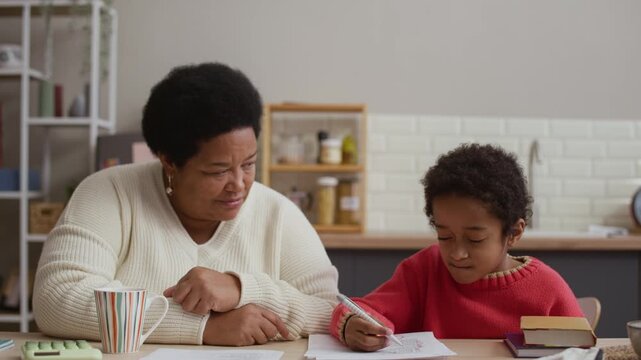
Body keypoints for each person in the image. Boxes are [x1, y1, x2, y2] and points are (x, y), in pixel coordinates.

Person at [33, 62, 339, 346]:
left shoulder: (277, 214)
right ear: (169, 161)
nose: (239, 184)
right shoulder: (109, 193)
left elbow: (334, 313)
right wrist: (205, 328)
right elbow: (57, 298)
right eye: (217, 171)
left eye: (248, 164)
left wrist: (240, 289)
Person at [330, 143, 583, 351]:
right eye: (444, 236)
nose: (457, 254)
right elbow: (362, 309)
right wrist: (352, 324)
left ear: (514, 233)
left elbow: (582, 354)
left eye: (475, 240)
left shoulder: (547, 290)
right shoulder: (425, 270)